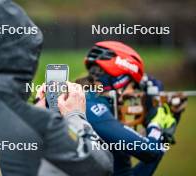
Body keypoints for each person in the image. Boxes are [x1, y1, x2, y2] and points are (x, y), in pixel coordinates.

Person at [0, 1, 113, 175]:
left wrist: (30, 111)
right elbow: (101, 166)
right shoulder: (43, 125)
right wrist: (75, 116)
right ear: (25, 56)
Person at [76, 41, 187, 176]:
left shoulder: (96, 104)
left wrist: (166, 130)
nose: (133, 94)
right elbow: (150, 152)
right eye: (133, 86)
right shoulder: (92, 107)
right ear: (119, 81)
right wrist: (156, 124)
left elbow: (125, 174)